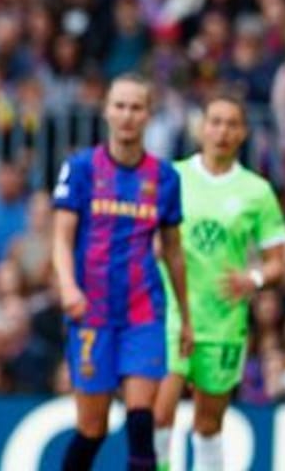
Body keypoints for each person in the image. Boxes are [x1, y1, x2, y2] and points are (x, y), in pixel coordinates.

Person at [52, 73, 193, 470]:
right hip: (91, 311)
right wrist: (67, 286)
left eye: (136, 107)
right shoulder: (80, 169)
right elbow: (62, 238)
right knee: (92, 428)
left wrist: (185, 318)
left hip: (143, 312)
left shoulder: (165, 178)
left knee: (141, 416)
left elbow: (173, 252)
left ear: (149, 115)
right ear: (106, 111)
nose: (127, 116)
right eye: (120, 106)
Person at [153, 95, 285, 471]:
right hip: (172, 315)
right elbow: (147, 233)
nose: (222, 131)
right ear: (201, 127)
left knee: (208, 425)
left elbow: (278, 262)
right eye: (215, 122)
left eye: (231, 124)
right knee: (158, 415)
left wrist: (254, 277)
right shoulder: (172, 176)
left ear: (242, 133)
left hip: (223, 321)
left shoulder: (256, 192)